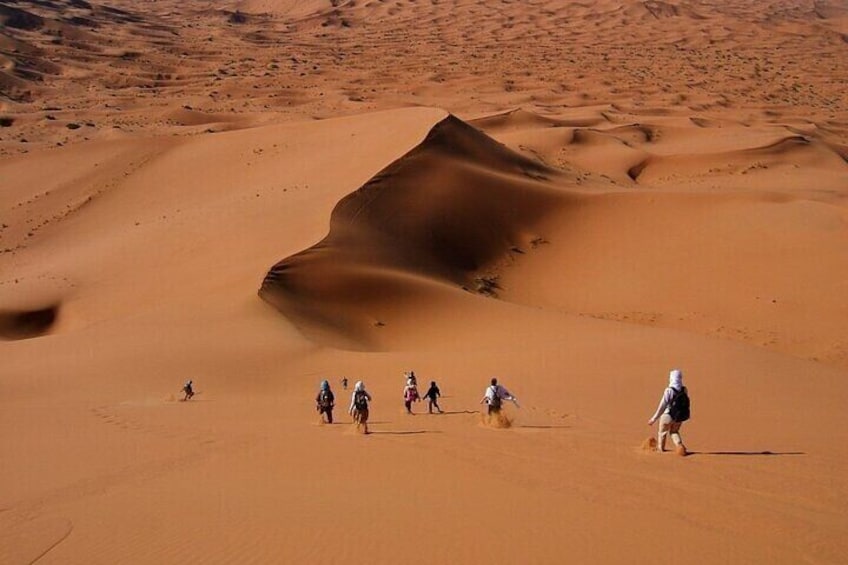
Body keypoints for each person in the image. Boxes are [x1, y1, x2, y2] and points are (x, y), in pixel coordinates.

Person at [647, 369, 689, 455]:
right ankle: (679, 445)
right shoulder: (684, 389)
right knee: (674, 432)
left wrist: (654, 419)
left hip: (668, 415)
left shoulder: (669, 390)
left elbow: (662, 406)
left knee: (662, 432)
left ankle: (661, 449)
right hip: (679, 417)